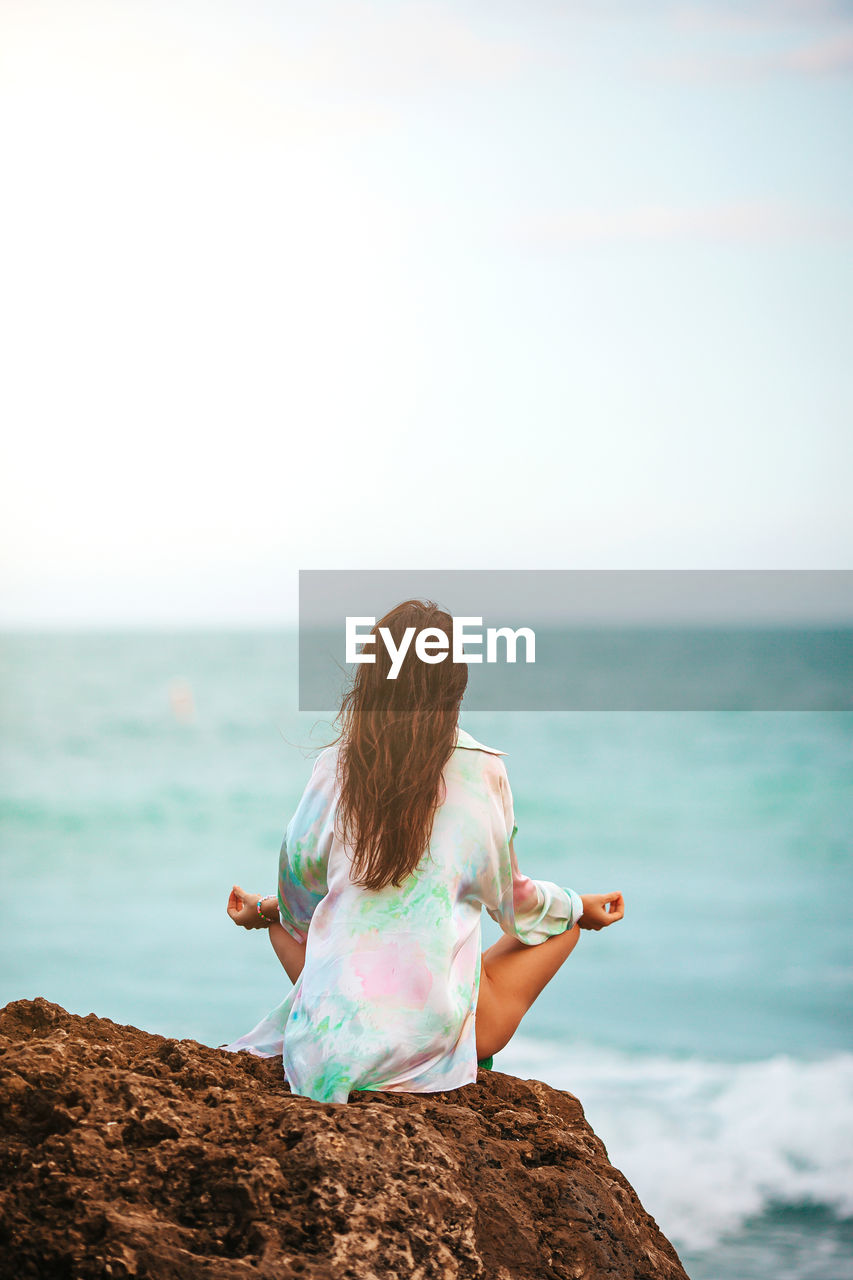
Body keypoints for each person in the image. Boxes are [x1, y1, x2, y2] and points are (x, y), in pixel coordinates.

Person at [224, 599, 624, 1104]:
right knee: (559, 923)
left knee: (298, 923)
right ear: (454, 686)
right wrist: (580, 905)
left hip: (331, 1038)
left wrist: (263, 912)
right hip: (430, 1039)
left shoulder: (334, 766)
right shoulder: (481, 770)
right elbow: (515, 906)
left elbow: (299, 898)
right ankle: (457, 1046)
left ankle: (348, 999)